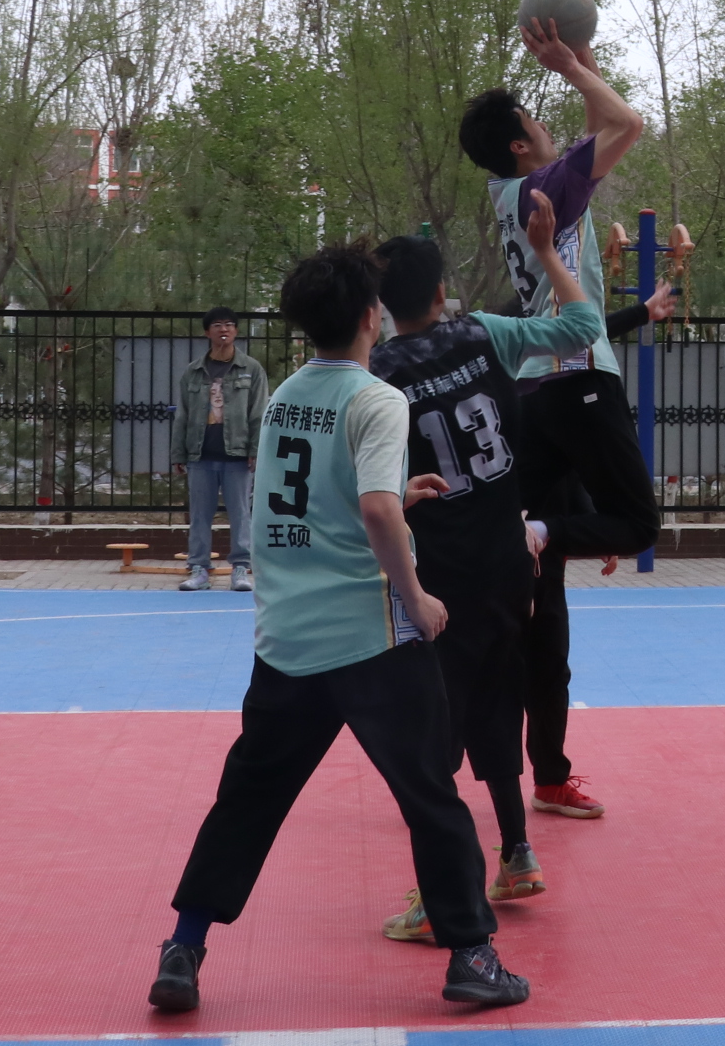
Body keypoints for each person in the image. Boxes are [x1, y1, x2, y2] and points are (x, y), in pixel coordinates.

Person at [145, 245, 530, 1015]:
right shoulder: (376, 398)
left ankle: (184, 948)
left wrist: (394, 495)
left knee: (247, 800)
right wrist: (417, 596)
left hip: (287, 640)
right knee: (431, 796)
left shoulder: (287, 393)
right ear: (369, 316)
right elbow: (375, 511)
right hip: (370, 638)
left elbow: (305, 498)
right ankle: (472, 956)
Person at [369, 193, 601, 930]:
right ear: (442, 291)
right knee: (500, 700)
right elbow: (583, 328)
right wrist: (547, 253)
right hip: (507, 563)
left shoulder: (377, 375)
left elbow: (374, 492)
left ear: (381, 306)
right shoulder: (485, 335)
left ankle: (442, 894)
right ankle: (518, 854)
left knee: (431, 727)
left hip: (437, 576)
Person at [456, 17, 650, 822]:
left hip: (536, 393)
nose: (548, 125)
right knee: (636, 526)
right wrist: (571, 66)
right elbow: (626, 123)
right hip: (576, 380)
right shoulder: (545, 190)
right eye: (535, 120)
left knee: (542, 603)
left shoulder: (519, 192)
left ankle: (540, 773)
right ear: (519, 145)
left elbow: (599, 130)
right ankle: (548, 531)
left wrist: (586, 64)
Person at [170, 306, 265, 593]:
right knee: (200, 515)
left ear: (236, 331)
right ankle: (199, 568)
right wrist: (178, 453)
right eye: (217, 325)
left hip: (238, 455)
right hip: (201, 454)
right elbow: (183, 414)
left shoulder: (251, 369)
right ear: (207, 332)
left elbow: (258, 413)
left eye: (229, 325)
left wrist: (255, 449)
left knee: (240, 514)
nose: (224, 329)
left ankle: (241, 568)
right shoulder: (193, 371)